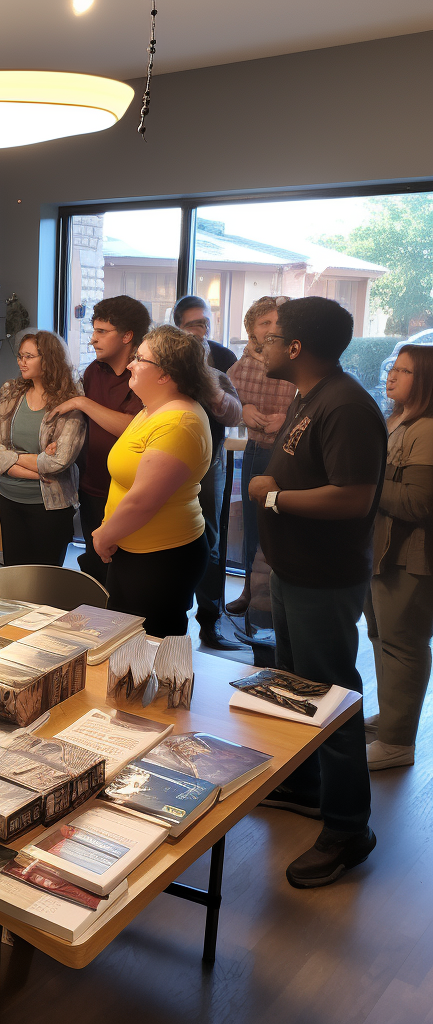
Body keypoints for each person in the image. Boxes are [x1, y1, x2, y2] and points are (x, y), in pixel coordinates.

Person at [249, 295, 386, 888]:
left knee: (331, 699)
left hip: (323, 579)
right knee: (294, 687)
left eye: (272, 338)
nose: (262, 347)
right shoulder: (310, 396)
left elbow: (354, 497)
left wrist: (274, 496)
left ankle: (348, 828)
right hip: (293, 569)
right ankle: (306, 787)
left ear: (296, 347)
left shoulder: (346, 405)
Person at [91, 326, 215, 636]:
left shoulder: (179, 423)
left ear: (165, 375)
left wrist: (105, 536)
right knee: (125, 646)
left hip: (161, 558)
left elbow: (143, 501)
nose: (131, 364)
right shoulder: (152, 411)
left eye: (140, 359)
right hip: (135, 550)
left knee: (149, 651)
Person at [363, 344, 433, 770]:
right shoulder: (399, 421)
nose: (391, 376)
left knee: (404, 644)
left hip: (410, 558)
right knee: (381, 637)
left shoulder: (426, 429)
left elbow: (418, 503)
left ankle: (397, 741)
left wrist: (361, 482)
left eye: (404, 371)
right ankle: (391, 720)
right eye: (393, 368)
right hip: (383, 551)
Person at [50, 295, 148, 584]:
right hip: (93, 487)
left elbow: (133, 427)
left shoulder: (143, 374)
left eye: (102, 332)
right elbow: (85, 426)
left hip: (131, 492)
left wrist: (82, 403)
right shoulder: (95, 371)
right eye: (93, 331)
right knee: (97, 570)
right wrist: (61, 444)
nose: (93, 339)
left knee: (128, 574)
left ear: (128, 336)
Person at [173, 296, 243, 650]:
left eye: (206, 324)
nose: (202, 331)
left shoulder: (223, 360)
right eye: (193, 325)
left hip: (210, 463)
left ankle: (210, 622)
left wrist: (208, 381)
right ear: (177, 326)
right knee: (172, 540)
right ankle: (173, 619)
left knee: (210, 542)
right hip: (169, 463)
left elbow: (234, 414)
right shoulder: (166, 359)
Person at [0, 330, 86, 566]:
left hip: (50, 505)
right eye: (20, 356)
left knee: (45, 580)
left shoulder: (69, 399)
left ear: (48, 359)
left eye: (29, 356)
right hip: (9, 499)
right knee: (15, 577)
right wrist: (36, 469)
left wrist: (12, 458)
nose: (22, 362)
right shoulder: (12, 392)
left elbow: (59, 461)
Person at [225, 296, 297, 614]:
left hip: (288, 453)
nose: (270, 328)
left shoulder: (293, 357)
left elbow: (310, 395)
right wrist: (245, 408)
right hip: (256, 450)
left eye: (275, 322)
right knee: (255, 522)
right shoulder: (244, 364)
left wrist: (288, 417)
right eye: (263, 323)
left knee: (280, 520)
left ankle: (277, 594)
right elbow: (226, 392)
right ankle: (249, 590)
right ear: (251, 330)